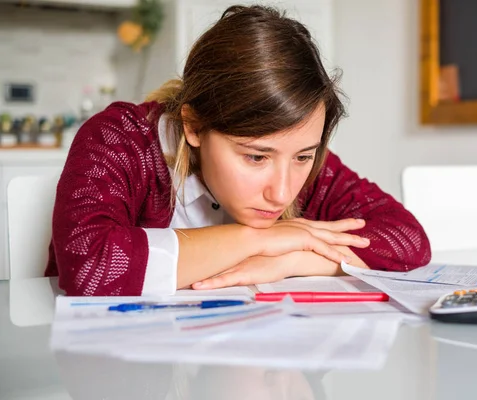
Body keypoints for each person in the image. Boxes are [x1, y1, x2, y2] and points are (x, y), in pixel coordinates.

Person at [46, 4, 430, 296]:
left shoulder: (298, 160)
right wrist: (258, 240)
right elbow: (90, 266)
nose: (281, 192)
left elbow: (408, 240)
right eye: (256, 157)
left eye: (303, 156)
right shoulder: (122, 138)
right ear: (195, 126)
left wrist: (294, 260)